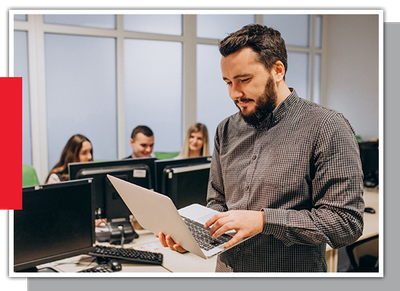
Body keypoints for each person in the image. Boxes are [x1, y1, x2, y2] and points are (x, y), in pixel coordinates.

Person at [156, 24, 365, 272]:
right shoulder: (226, 129)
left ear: (277, 70)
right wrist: (195, 237)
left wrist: (265, 221)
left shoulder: (327, 127)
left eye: (244, 80)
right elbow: (217, 203)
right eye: (228, 82)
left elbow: (346, 223)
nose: (235, 93)